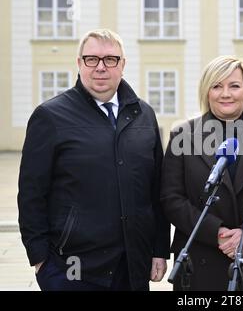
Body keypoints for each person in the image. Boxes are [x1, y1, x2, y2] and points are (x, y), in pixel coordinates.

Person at [17, 29, 170, 291]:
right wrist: (41, 259)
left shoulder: (143, 115)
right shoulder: (50, 117)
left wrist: (159, 249)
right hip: (71, 269)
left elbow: (156, 190)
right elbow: (31, 194)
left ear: (123, 64)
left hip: (131, 265)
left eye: (110, 59)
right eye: (91, 59)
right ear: (79, 63)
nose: (101, 67)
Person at [161, 55, 243, 291]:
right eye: (217, 86)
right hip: (200, 259)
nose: (225, 93)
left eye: (234, 86)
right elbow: (171, 199)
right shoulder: (182, 135)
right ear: (207, 92)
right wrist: (217, 233)